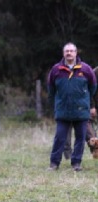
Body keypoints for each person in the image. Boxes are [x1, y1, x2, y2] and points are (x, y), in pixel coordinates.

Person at [47, 42, 97, 171]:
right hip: (63, 111)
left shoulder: (86, 69)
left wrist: (84, 100)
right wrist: (56, 105)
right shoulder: (56, 70)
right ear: (63, 54)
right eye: (66, 51)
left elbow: (93, 87)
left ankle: (76, 163)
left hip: (81, 111)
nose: (69, 53)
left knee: (80, 139)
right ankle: (54, 164)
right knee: (59, 138)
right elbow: (51, 89)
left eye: (71, 51)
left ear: (76, 53)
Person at [64, 66, 98, 159]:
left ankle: (94, 150)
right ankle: (69, 155)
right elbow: (88, 90)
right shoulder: (93, 73)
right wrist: (92, 106)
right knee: (85, 126)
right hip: (83, 105)